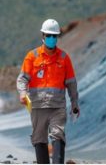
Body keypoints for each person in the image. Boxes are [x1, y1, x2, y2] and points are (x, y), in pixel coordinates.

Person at [17, 19, 80, 164]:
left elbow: (71, 83)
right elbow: (22, 79)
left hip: (58, 107)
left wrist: (75, 103)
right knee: (39, 138)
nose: (52, 39)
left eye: (54, 36)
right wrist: (22, 93)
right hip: (38, 107)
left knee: (58, 135)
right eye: (49, 36)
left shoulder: (64, 58)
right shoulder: (32, 57)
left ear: (57, 37)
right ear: (43, 36)